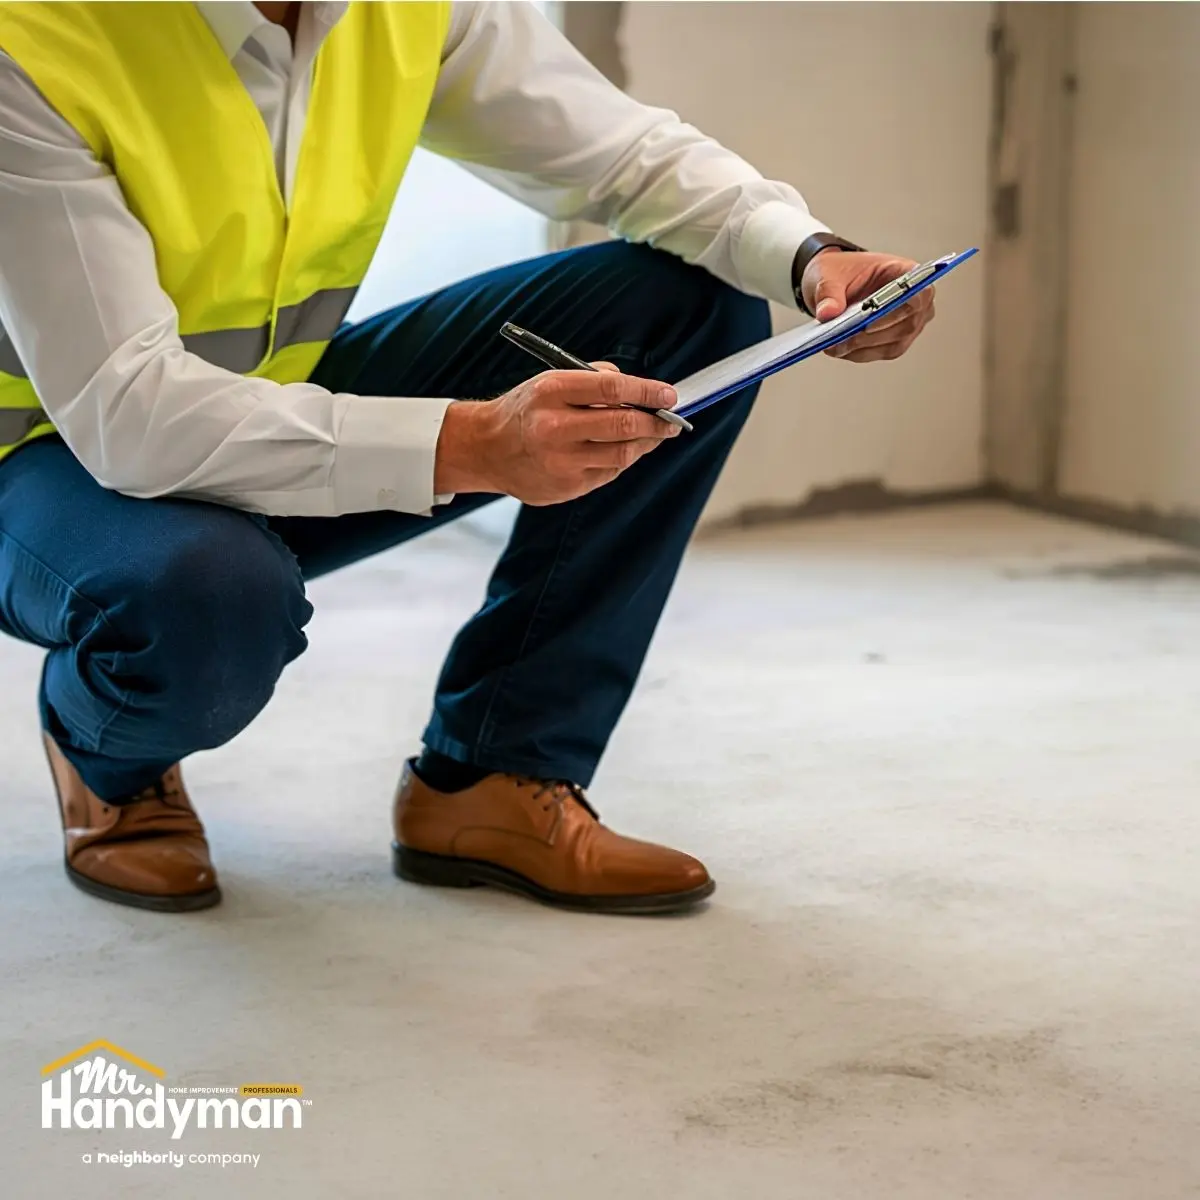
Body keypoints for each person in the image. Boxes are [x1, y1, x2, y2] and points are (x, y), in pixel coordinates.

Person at [0, 1, 935, 916]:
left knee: (692, 307)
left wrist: (808, 256)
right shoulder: (33, 40)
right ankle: (108, 760)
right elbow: (131, 413)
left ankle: (493, 777)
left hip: (256, 401)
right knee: (203, 597)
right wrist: (474, 443)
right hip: (41, 461)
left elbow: (623, 153)